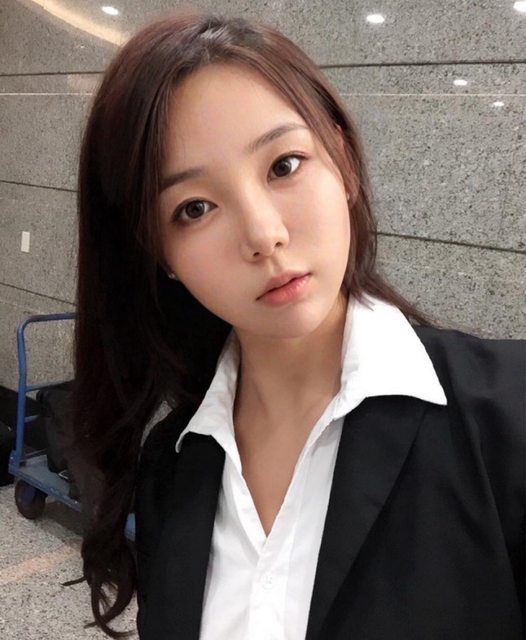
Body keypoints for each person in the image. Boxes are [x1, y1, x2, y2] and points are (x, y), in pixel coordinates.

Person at [71, 9, 525, 640]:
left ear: (343, 159)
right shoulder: (169, 470)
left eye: (284, 165)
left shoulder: (509, 415)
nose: (263, 235)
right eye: (194, 208)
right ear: (158, 253)